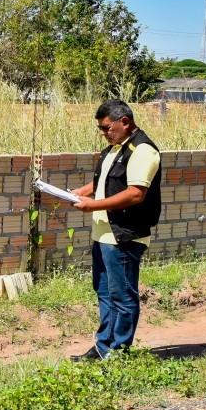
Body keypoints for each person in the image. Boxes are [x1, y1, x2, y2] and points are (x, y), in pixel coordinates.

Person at [70, 99, 162, 360]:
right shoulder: (114, 149)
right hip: (104, 234)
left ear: (125, 121)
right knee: (104, 292)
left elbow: (135, 194)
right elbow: (105, 180)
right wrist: (81, 193)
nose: (103, 133)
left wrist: (93, 205)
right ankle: (103, 347)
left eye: (106, 128)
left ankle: (118, 351)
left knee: (122, 295)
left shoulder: (142, 150)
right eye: (100, 128)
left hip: (124, 234)